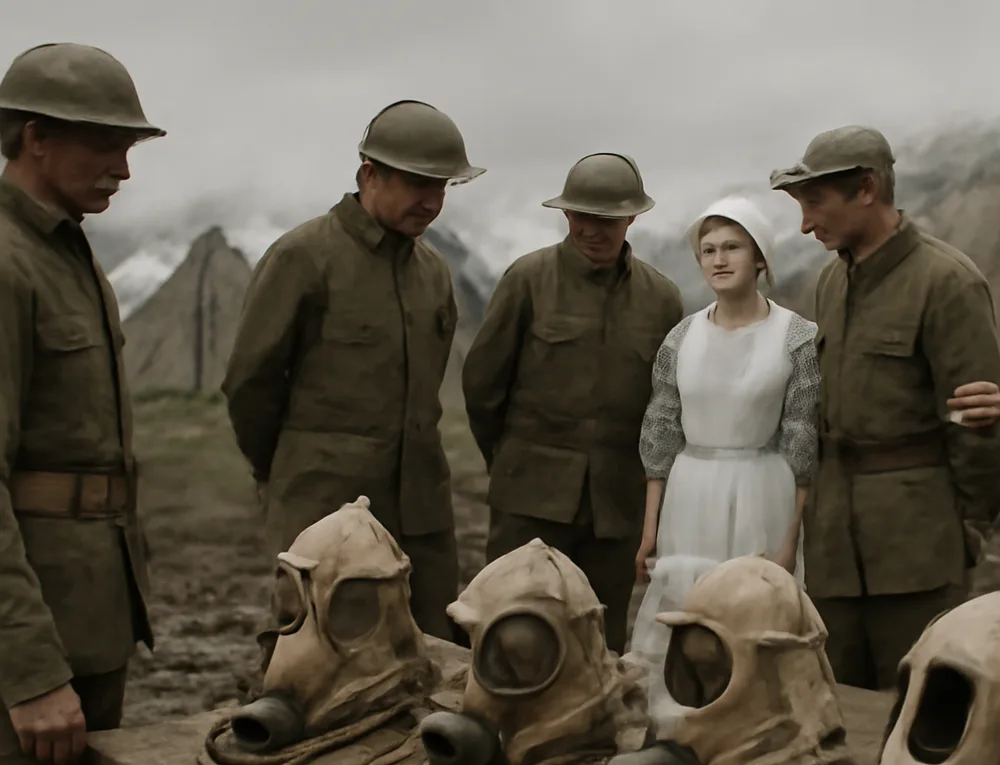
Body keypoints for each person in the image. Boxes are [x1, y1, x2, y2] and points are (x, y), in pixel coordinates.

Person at [0, 42, 163, 765]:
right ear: (34, 137)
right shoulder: (5, 261)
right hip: (38, 625)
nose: (125, 167)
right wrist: (27, 666)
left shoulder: (61, 246)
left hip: (89, 603)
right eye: (106, 145)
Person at [221, 100, 485, 642]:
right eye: (417, 184)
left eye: (442, 187)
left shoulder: (432, 272)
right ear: (370, 175)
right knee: (316, 656)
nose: (432, 201)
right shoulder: (303, 257)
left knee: (429, 650)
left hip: (421, 512)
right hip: (324, 510)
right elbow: (251, 384)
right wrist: (292, 474)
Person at [770, 125, 1000, 693]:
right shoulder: (832, 281)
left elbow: (980, 432)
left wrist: (966, 532)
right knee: (835, 708)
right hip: (833, 548)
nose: (805, 224)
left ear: (867, 189)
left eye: (815, 203)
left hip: (916, 551)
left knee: (916, 716)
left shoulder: (947, 283)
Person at [461, 153, 685, 654]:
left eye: (605, 219)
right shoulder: (527, 279)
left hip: (615, 507)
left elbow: (665, 406)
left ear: (632, 218)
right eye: (580, 216)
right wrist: (512, 464)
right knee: (510, 631)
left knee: (598, 641)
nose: (590, 230)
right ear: (565, 216)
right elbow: (482, 386)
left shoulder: (662, 299)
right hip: (529, 499)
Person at [628, 196, 819, 702]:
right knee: (688, 617)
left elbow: (803, 440)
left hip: (763, 489)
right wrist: (650, 529)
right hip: (691, 494)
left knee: (756, 617)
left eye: (732, 246)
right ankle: (678, 728)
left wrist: (789, 540)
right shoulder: (682, 337)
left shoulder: (796, 337)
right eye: (708, 249)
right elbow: (661, 433)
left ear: (760, 258)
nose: (719, 259)